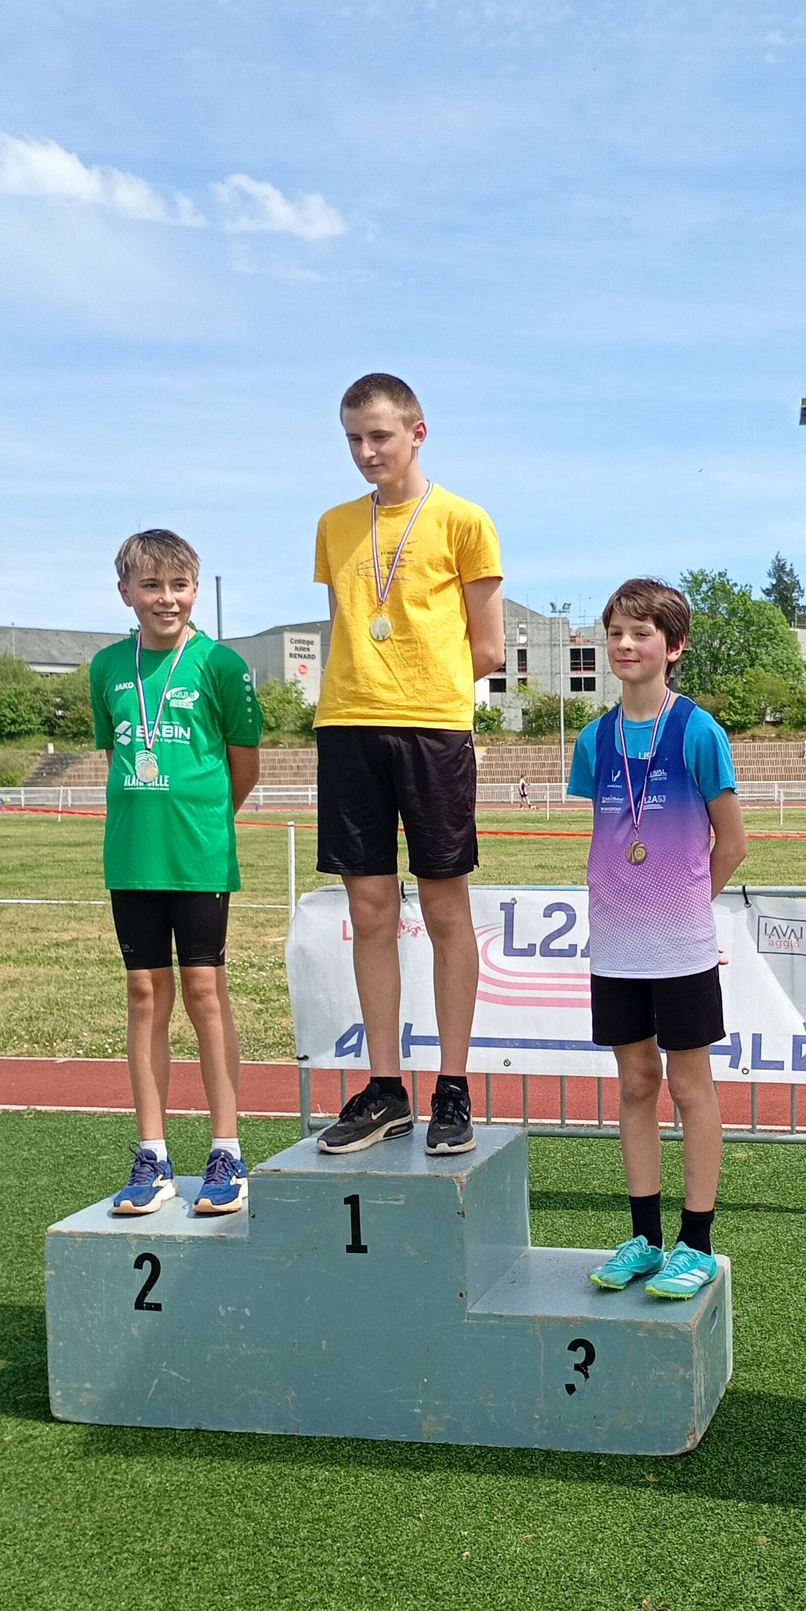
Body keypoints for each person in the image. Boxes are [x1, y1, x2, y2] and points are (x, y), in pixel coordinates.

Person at [311, 372, 505, 1157]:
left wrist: (423, 686)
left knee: (446, 909)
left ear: (417, 433)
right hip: (347, 727)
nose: (366, 451)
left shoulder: (464, 520)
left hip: (432, 731)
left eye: (380, 435)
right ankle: (386, 1088)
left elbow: (488, 646)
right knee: (369, 912)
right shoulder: (333, 525)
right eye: (354, 438)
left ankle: (452, 1087)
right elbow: (341, 629)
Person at [566, 578, 748, 1301]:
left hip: (680, 950)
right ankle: (643, 1239)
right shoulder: (594, 740)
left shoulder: (698, 732)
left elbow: (733, 844)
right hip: (614, 948)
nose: (624, 644)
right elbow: (611, 837)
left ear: (674, 647)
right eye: (615, 632)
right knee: (636, 1085)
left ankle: (695, 1242)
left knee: (689, 1088)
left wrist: (684, 908)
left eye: (641, 633)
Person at [91, 530, 263, 1216]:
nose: (167, 599)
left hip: (198, 855)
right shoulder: (107, 666)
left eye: (179, 585)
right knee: (143, 993)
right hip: (132, 856)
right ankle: (152, 1155)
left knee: (204, 990)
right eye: (152, 586)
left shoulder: (221, 664)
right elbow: (116, 757)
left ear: (194, 590)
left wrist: (206, 822)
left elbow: (243, 765)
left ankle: (226, 1150)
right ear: (126, 592)